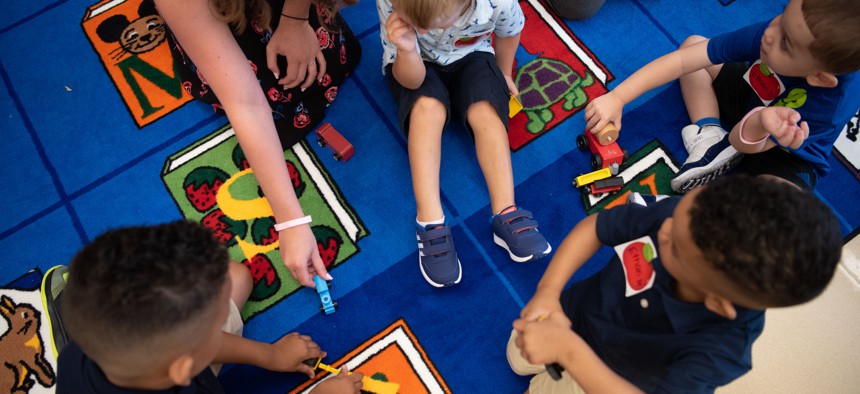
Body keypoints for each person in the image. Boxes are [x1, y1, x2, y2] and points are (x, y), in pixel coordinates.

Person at [506, 175, 842, 393]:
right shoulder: (689, 220)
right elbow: (597, 228)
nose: (664, 230)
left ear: (716, 302)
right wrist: (548, 292)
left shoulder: (720, 352)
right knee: (517, 357)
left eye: (674, 248)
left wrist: (568, 351)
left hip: (605, 377)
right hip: (572, 313)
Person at [155, 0, 362, 287]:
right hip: (220, 22)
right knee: (278, 88)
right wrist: (290, 222)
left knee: (322, 61)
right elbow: (245, 102)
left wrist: (294, 20)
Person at [55, 221, 363, 393]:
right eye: (211, 329)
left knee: (237, 276)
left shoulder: (76, 357)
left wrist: (270, 356)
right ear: (183, 369)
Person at [585, 0, 860, 193]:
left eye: (786, 43)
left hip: (784, 151)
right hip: (752, 95)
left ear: (819, 78)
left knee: (782, 208)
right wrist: (618, 98)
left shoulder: (827, 106)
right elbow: (685, 60)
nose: (769, 34)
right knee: (694, 43)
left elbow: (745, 143)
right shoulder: (776, 33)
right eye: (783, 13)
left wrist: (763, 121)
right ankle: (709, 131)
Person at [377, 0, 552, 288]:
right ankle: (429, 218)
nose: (422, 28)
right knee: (427, 111)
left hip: (474, 55)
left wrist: (504, 73)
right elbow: (411, 80)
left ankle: (506, 210)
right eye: (416, 23)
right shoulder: (393, 2)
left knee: (486, 113)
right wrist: (408, 47)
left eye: (431, 23)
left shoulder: (498, 2)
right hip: (414, 63)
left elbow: (510, 31)